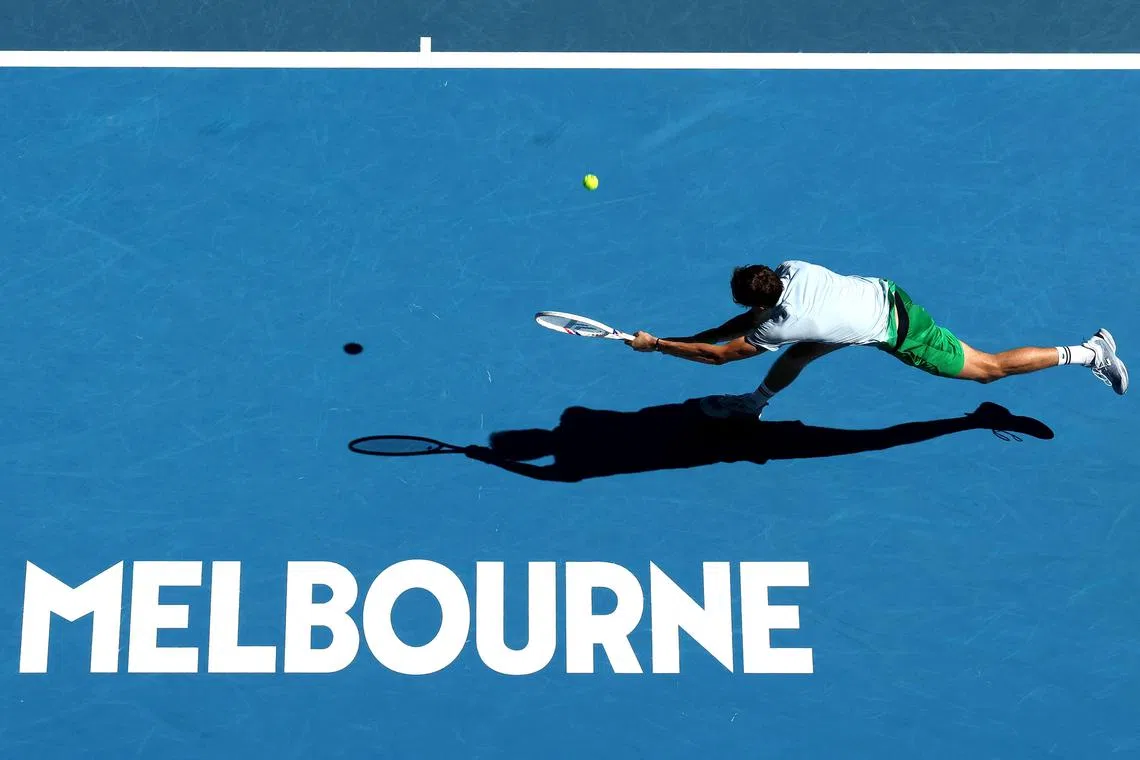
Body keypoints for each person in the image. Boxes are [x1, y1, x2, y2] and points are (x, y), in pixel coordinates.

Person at [625, 260, 1128, 418]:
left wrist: (658, 346)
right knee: (801, 351)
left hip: (900, 329)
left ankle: (1088, 352)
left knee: (987, 369)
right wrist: (670, 338)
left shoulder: (776, 324)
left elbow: (719, 356)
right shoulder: (791, 269)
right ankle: (755, 403)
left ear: (758, 303)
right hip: (880, 295)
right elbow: (731, 331)